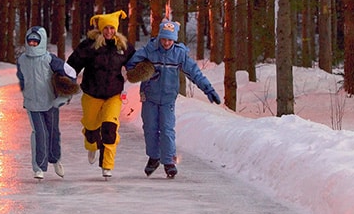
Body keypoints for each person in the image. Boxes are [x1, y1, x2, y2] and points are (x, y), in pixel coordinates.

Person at [125, 20, 221, 178]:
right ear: (159, 38)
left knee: (167, 129)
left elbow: (194, 73)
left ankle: (169, 161)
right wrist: (145, 72)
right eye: (163, 39)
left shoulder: (179, 53)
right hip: (149, 96)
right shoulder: (150, 50)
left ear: (174, 40)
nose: (166, 43)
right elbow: (131, 65)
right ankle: (154, 157)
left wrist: (208, 89)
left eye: (170, 40)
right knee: (150, 128)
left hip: (168, 98)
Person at [67, 10, 135, 178]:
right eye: (106, 28)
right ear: (101, 29)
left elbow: (137, 63)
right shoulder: (89, 45)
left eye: (112, 28)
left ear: (116, 29)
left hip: (113, 95)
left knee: (110, 128)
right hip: (92, 94)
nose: (109, 31)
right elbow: (72, 64)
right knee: (91, 130)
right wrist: (65, 81)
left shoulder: (124, 47)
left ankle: (107, 165)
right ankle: (91, 144)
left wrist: (144, 71)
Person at [17, 26, 79, 180]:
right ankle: (39, 167)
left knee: (52, 132)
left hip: (50, 102)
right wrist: (25, 91)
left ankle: (55, 159)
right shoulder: (22, 60)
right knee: (40, 133)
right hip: (32, 104)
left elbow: (70, 73)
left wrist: (64, 95)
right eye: (30, 41)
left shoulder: (49, 59)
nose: (32, 44)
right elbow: (22, 77)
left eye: (35, 42)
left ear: (42, 42)